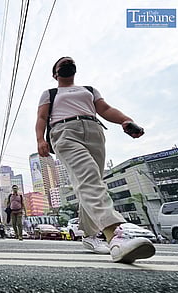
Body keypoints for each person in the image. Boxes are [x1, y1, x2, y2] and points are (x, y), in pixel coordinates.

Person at [35, 56, 155, 263]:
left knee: (91, 183)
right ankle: (116, 238)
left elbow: (106, 110)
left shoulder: (89, 90)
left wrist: (126, 120)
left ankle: (90, 236)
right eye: (62, 63)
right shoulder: (50, 93)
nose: (67, 64)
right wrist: (40, 140)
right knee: (89, 177)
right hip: (64, 132)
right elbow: (41, 118)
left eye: (70, 62)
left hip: (94, 131)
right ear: (55, 73)